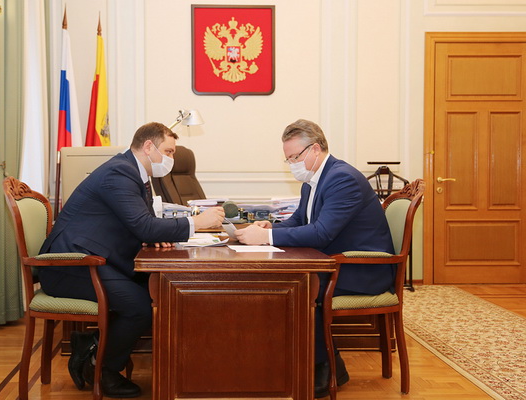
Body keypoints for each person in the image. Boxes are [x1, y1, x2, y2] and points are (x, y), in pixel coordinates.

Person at [38, 122, 224, 398]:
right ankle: (103, 370)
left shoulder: (135, 173)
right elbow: (144, 226)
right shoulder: (119, 172)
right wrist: (196, 222)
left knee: (158, 291)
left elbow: (141, 224)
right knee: (139, 307)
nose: (171, 159)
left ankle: (92, 345)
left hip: (95, 259)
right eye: (168, 151)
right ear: (148, 146)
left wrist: (154, 235)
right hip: (70, 265)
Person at [235, 119, 395, 398]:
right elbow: (300, 220)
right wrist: (270, 227)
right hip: (336, 263)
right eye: (288, 159)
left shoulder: (342, 179)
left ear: (315, 149)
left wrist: (266, 238)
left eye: (294, 157)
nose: (292, 164)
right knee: (290, 284)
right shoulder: (312, 180)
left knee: (299, 289)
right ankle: (319, 361)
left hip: (363, 269)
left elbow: (321, 233)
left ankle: (324, 367)